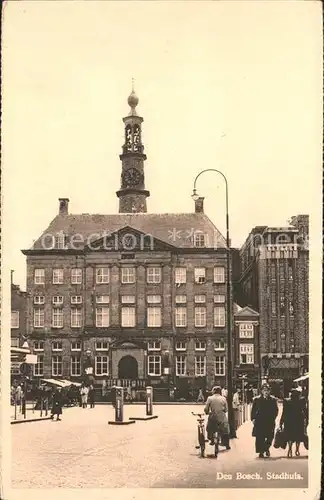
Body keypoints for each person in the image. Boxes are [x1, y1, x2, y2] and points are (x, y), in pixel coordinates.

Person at [251, 383, 278, 458]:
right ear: (262, 391)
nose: (266, 392)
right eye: (264, 390)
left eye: (267, 390)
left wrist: (273, 417)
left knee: (270, 436)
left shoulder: (273, 399)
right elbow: (253, 410)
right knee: (260, 437)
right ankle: (261, 452)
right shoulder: (257, 399)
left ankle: (266, 448)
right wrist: (253, 418)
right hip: (260, 421)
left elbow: (276, 410)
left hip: (270, 421)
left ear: (270, 391)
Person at [279, 388, 307, 458]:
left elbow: (284, 412)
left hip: (289, 420)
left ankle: (290, 449)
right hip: (299, 420)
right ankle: (297, 449)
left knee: (289, 436)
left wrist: (281, 422)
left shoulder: (286, 401)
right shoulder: (302, 400)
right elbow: (305, 410)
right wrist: (306, 420)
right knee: (298, 435)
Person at [204, 386, 230, 450]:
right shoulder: (223, 398)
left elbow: (206, 408)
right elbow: (226, 409)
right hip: (221, 417)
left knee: (209, 428)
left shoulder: (210, 398)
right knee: (225, 430)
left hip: (213, 417)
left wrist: (207, 412)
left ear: (213, 391)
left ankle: (212, 439)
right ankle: (227, 444)